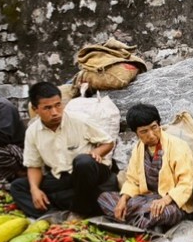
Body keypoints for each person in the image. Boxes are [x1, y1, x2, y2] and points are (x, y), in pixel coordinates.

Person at [10, 82, 117, 218]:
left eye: (58, 105)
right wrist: (35, 189)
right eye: (47, 108)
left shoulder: (79, 120)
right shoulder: (33, 131)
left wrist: (96, 153)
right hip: (62, 177)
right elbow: (34, 165)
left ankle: (79, 212)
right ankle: (53, 215)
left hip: (89, 174)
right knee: (18, 187)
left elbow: (108, 142)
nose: (55, 112)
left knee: (83, 162)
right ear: (36, 109)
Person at [98, 104, 193, 230]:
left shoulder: (178, 146)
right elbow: (132, 180)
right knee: (104, 198)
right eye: (144, 131)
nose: (151, 134)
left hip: (172, 202)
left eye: (154, 127)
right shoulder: (138, 149)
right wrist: (123, 199)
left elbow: (187, 183)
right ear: (136, 134)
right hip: (146, 198)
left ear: (159, 125)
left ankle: (134, 221)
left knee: (159, 213)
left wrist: (165, 200)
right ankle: (141, 220)